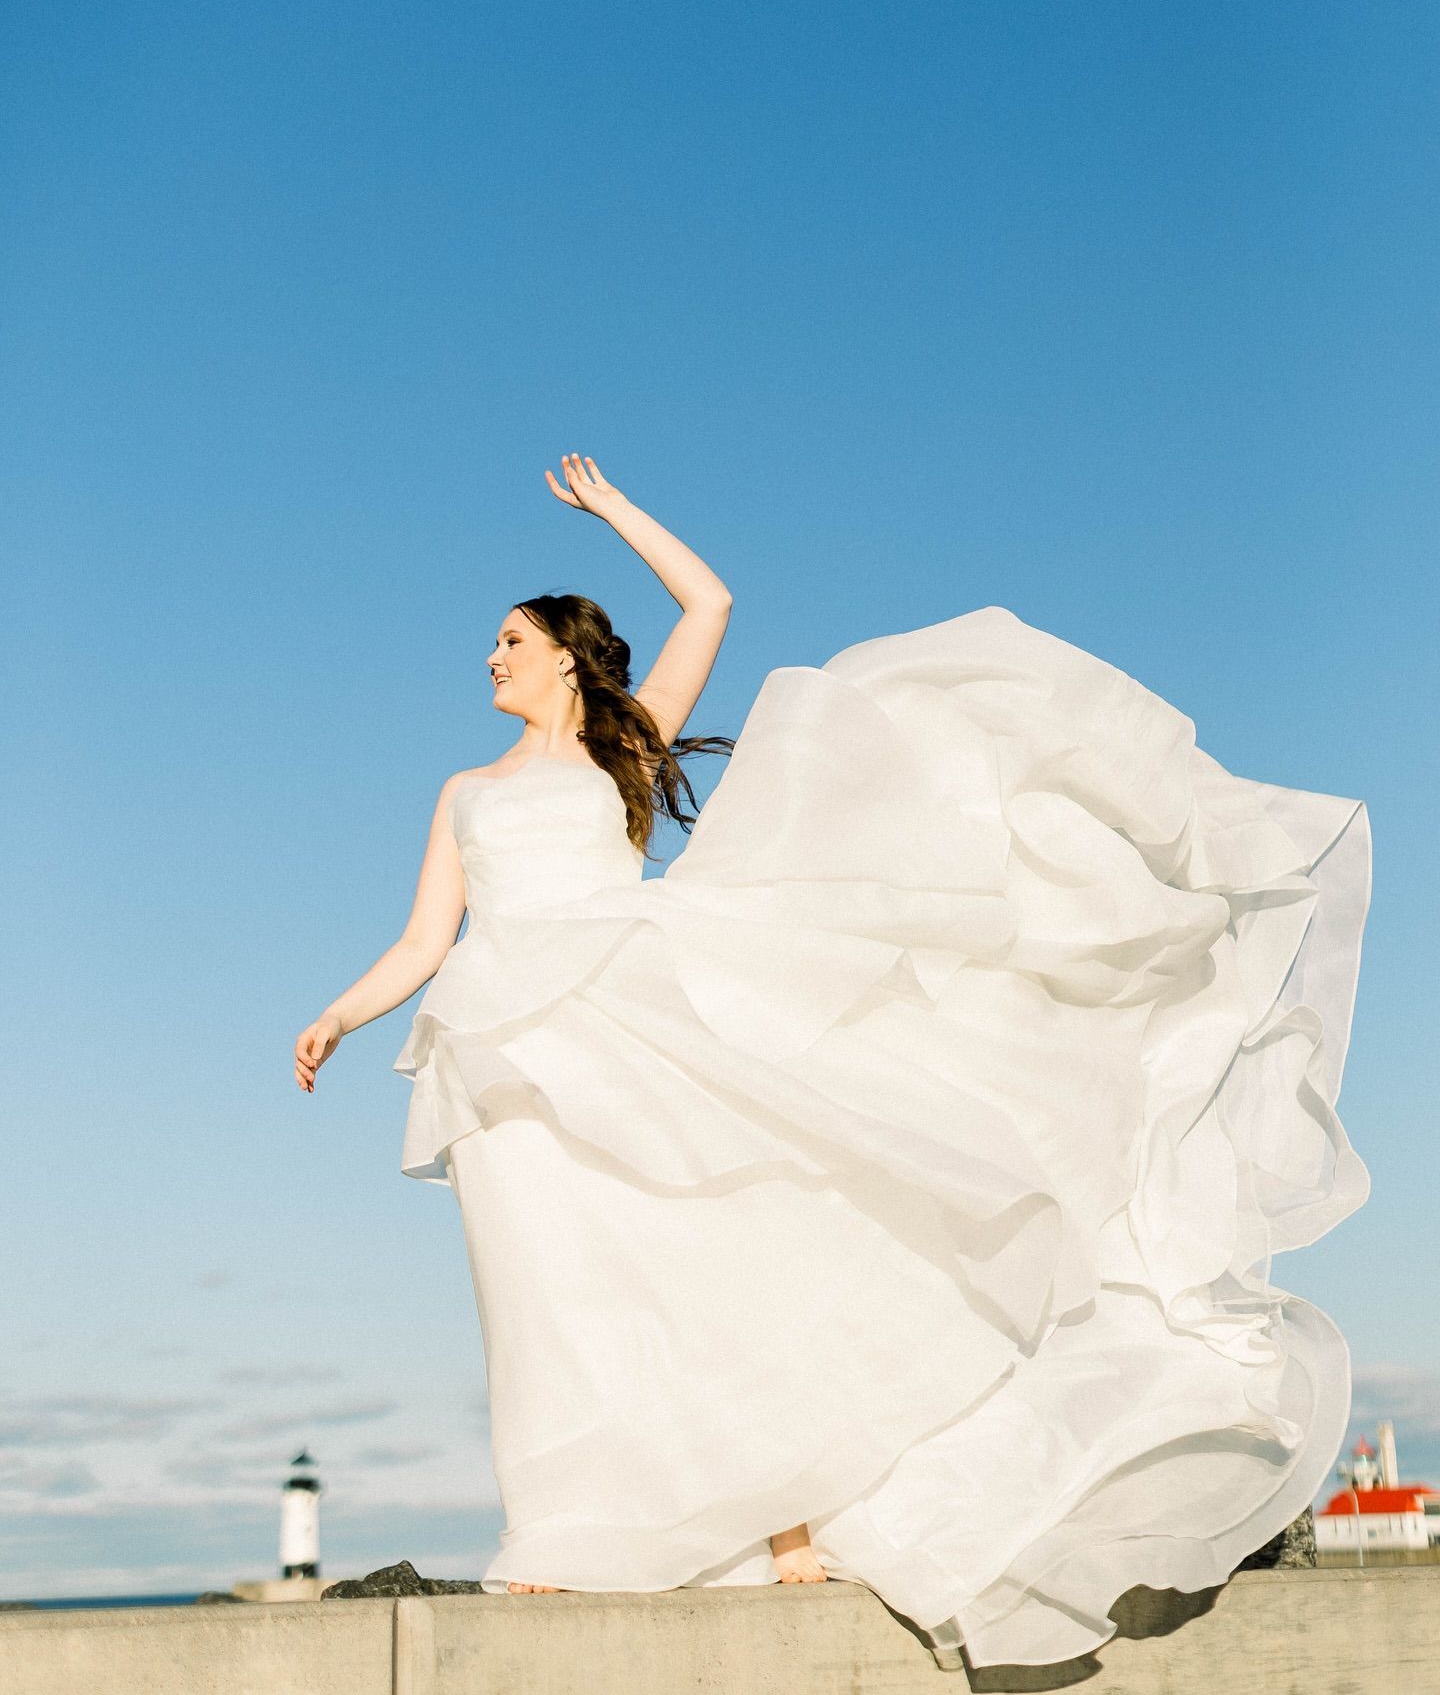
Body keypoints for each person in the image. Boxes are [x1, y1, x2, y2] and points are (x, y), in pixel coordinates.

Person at [294, 455, 1372, 1672]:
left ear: (561, 655)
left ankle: (784, 1509)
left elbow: (710, 605)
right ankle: (559, 1522)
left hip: (638, 1021)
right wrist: (341, 1014)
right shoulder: (461, 790)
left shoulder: (621, 747)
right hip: (498, 1048)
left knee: (713, 1259)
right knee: (548, 1288)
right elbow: (426, 939)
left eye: (507, 638)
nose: (487, 656)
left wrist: (613, 513)